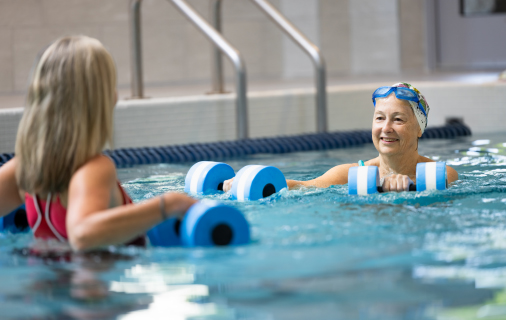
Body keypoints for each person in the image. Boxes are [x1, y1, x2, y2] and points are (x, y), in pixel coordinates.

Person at [0, 36, 197, 252]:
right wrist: (168, 205)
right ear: (99, 101)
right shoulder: (94, 169)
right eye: (110, 86)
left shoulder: (25, 170)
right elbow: (82, 234)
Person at [224, 82, 458, 193]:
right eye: (379, 118)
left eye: (398, 119)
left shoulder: (440, 173)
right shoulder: (348, 174)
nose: (386, 128)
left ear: (419, 128)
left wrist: (409, 189)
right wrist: (248, 181)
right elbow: (304, 187)